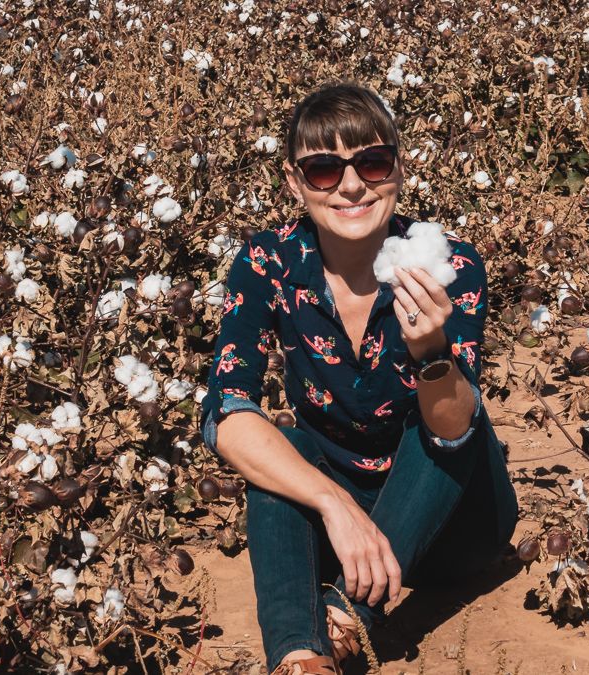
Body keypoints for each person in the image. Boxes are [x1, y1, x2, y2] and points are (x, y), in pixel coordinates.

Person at [200, 82, 518, 675]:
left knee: (442, 427)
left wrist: (430, 353)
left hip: (455, 522)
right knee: (279, 446)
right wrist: (335, 502)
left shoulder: (449, 263)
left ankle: (344, 625)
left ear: (399, 168)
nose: (351, 186)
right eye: (323, 170)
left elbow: (456, 433)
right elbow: (226, 410)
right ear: (294, 183)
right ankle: (300, 659)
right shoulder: (267, 262)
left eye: (372, 162)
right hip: (342, 524)